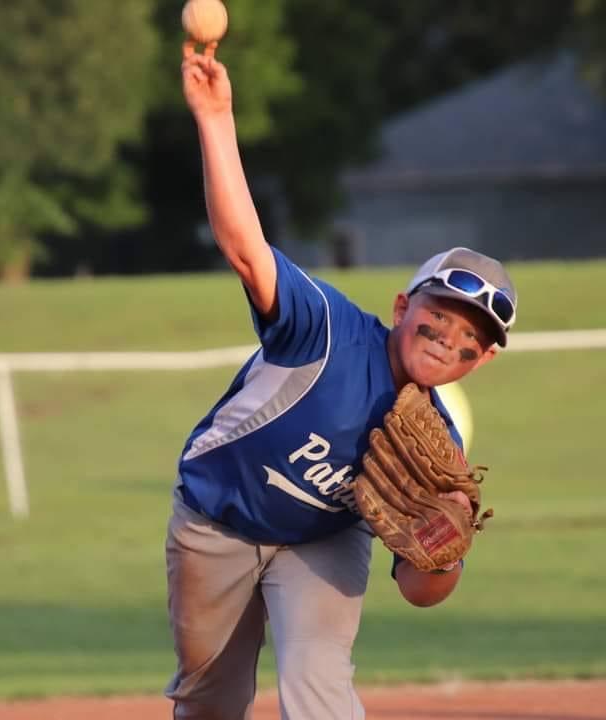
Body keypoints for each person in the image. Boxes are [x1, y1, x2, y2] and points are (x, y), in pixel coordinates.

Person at [165, 41, 518, 720]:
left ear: (484, 360)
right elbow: (244, 247)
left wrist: (443, 552)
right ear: (401, 307)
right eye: (441, 312)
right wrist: (215, 118)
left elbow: (421, 591)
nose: (452, 336)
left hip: (323, 542)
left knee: (319, 686)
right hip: (216, 519)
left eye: (473, 337)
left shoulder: (437, 438)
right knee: (211, 699)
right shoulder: (323, 327)